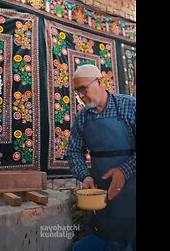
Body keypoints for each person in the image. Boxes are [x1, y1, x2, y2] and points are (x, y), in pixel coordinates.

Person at [67, 65, 136, 251]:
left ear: (99, 82)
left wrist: (124, 171)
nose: (80, 95)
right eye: (77, 91)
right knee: (105, 235)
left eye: (83, 88)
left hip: (132, 190)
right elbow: (73, 151)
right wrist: (85, 176)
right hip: (102, 192)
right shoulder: (82, 118)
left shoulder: (129, 105)